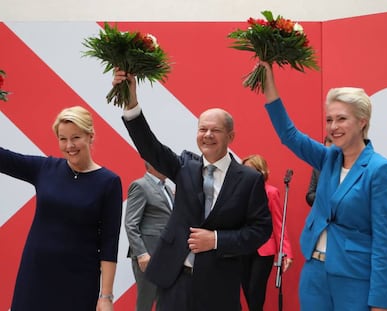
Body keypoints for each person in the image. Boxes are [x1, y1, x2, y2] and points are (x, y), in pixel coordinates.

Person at [112, 68, 272, 311]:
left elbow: (260, 231)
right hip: (175, 281)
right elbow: (150, 147)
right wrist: (131, 101)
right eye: (202, 129)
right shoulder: (184, 167)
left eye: (215, 130)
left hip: (219, 286)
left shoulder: (249, 179)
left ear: (230, 136)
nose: (207, 135)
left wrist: (216, 239)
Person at [260, 61, 387, 311]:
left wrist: (380, 302)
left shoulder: (381, 170)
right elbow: (289, 135)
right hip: (314, 274)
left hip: (355, 279)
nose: (333, 127)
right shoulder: (328, 159)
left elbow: (385, 240)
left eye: (342, 119)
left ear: (362, 122)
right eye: (329, 120)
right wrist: (269, 84)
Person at [0, 106, 123, 311]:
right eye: (62, 139)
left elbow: (110, 243)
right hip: (35, 276)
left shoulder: (109, 182)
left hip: (79, 283)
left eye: (75, 137)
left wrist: (106, 296)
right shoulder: (45, 168)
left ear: (90, 136)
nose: (69, 146)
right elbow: (4, 159)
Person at [241, 154, 294, 311]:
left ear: (261, 172)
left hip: (263, 250)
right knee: (247, 292)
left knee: (256, 291)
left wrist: (286, 253)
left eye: (250, 170)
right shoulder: (238, 193)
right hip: (243, 247)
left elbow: (279, 224)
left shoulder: (271, 192)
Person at [125, 161, 174, 311]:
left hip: (166, 255)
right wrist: (141, 254)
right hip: (148, 257)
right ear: (152, 164)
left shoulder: (167, 187)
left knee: (165, 301)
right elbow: (130, 223)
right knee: (145, 303)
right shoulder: (140, 185)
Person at [305, 136, 332, 207]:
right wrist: (321, 197)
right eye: (327, 150)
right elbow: (310, 195)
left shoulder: (346, 167)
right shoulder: (317, 168)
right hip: (322, 213)